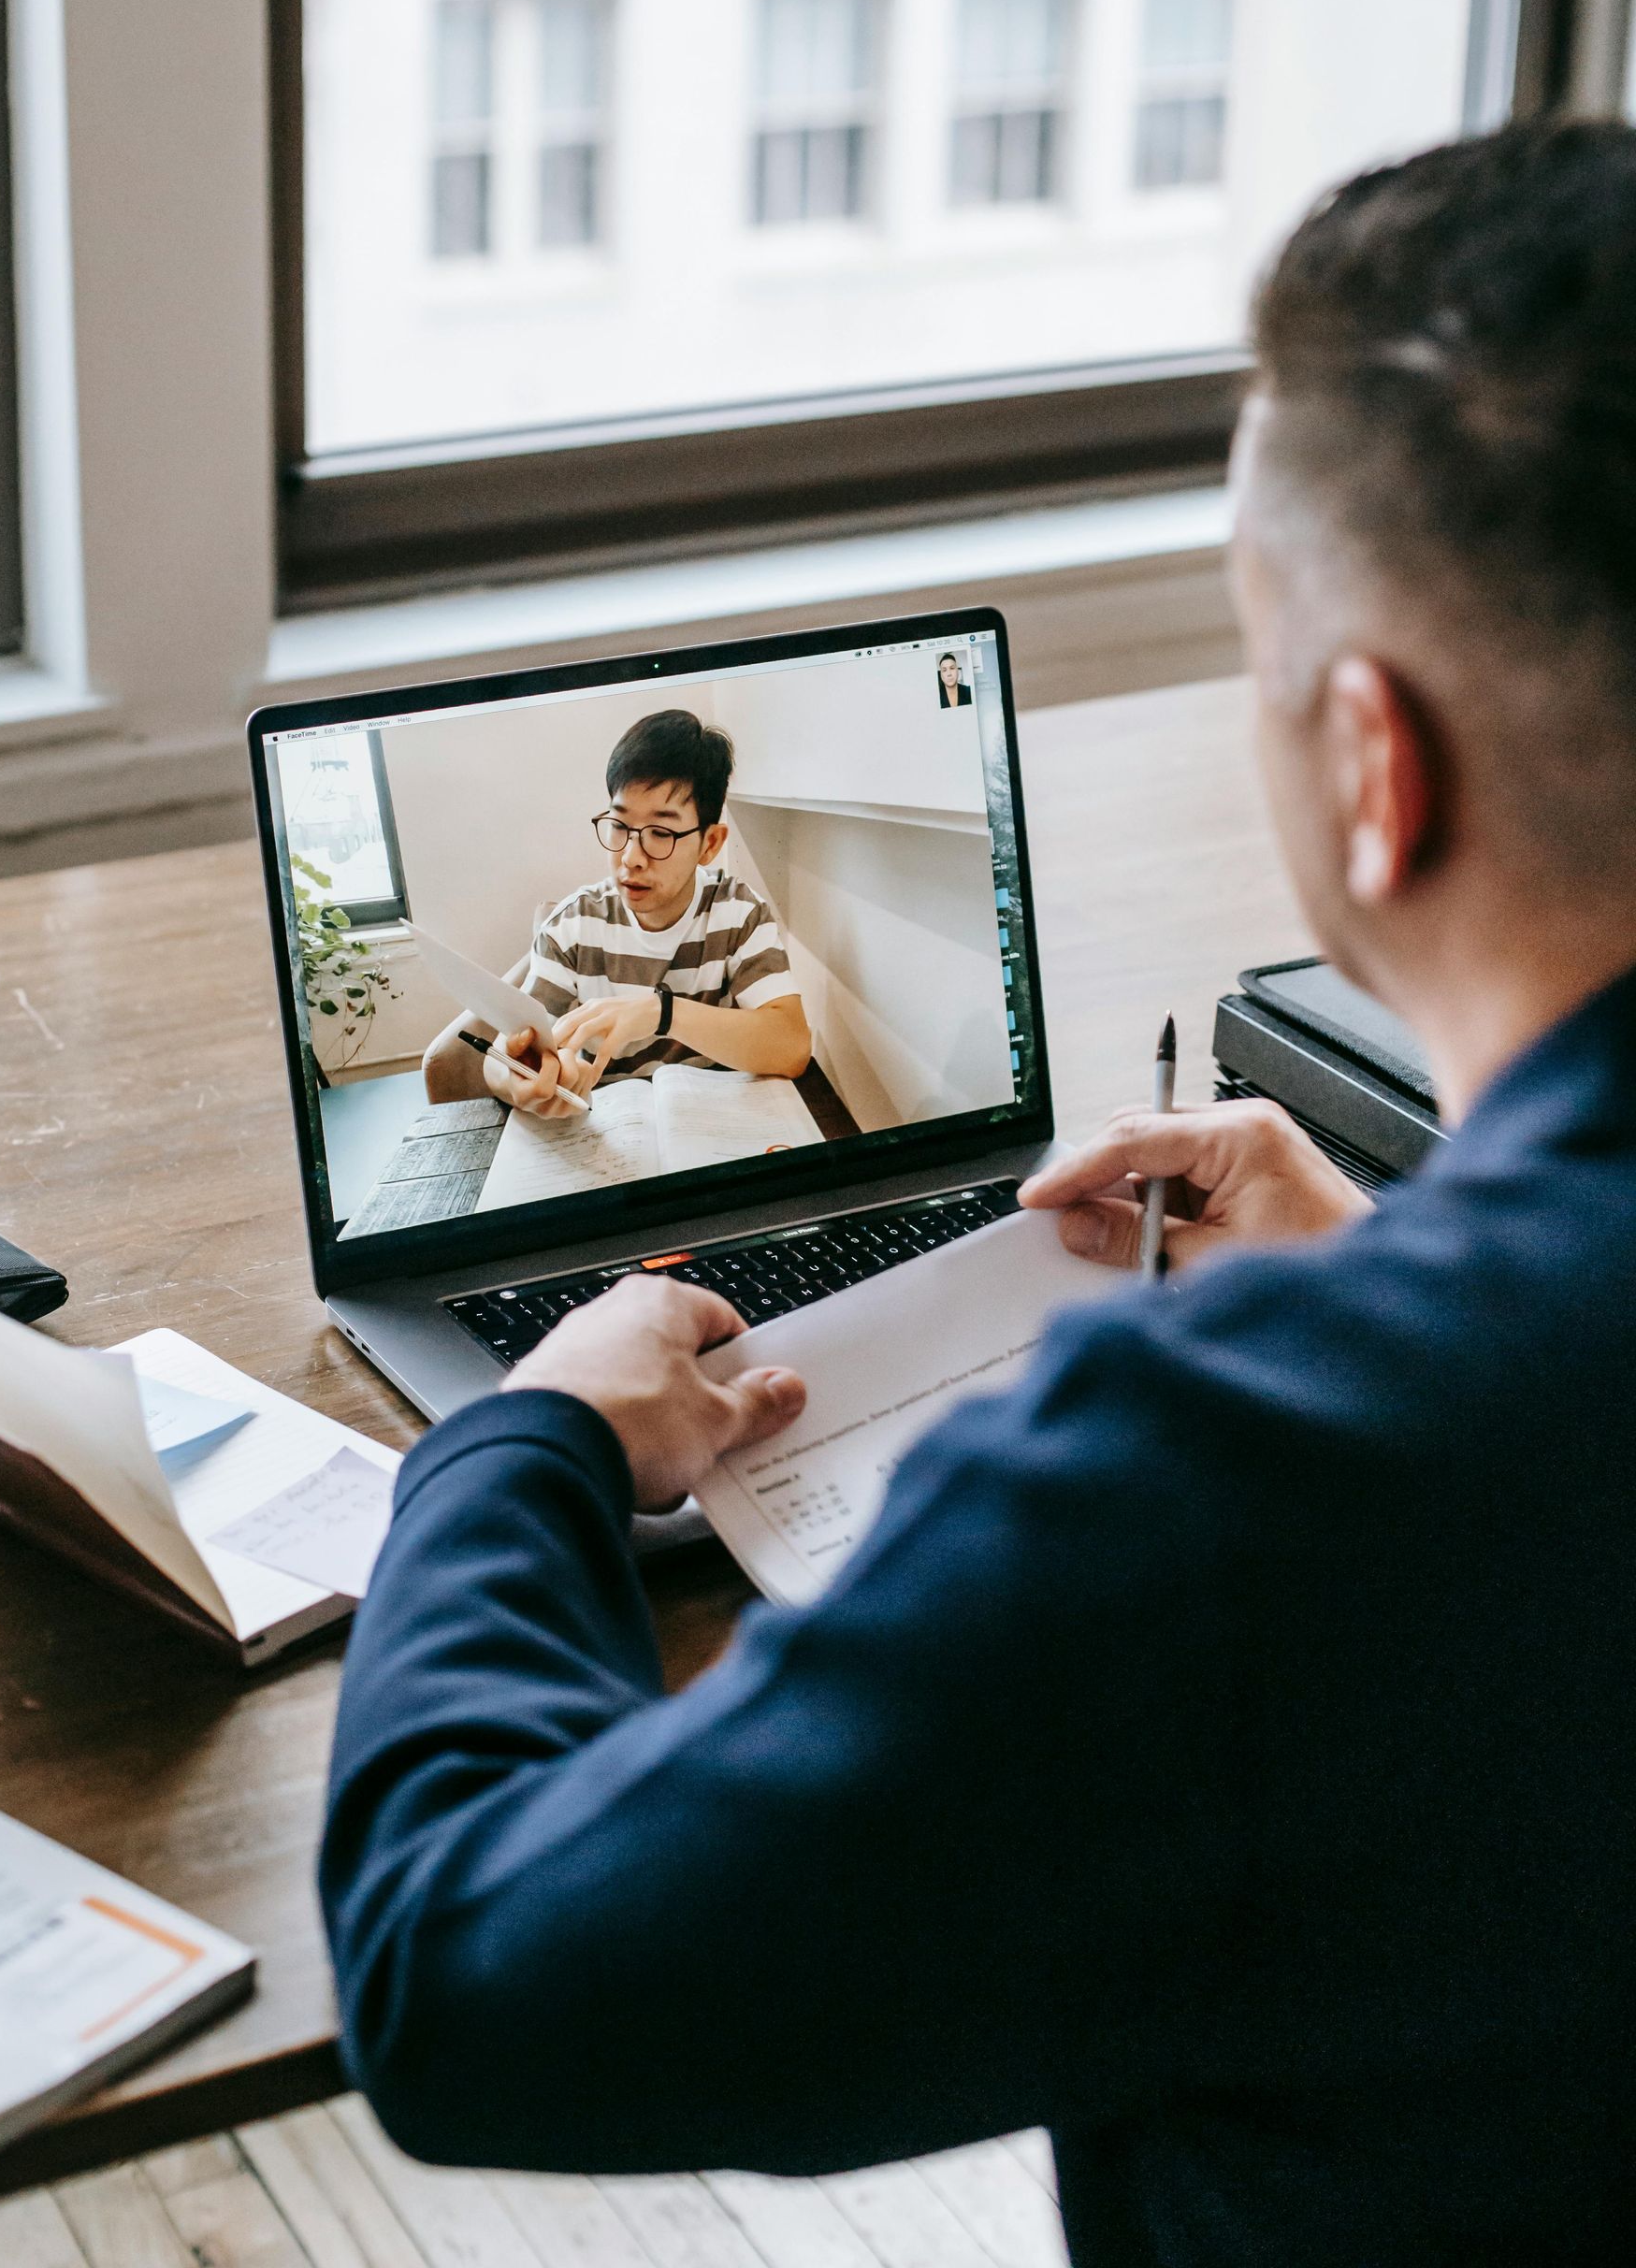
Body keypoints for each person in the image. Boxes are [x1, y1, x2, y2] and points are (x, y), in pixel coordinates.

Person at [324, 121, 1636, 2267]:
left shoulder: (1226, 1481)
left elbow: (465, 1974)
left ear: (1371, 767)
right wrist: (1418, 1266)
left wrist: (519, 1442)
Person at [422, 707, 812, 1118]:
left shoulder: (738, 913)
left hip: (715, 1130)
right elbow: (508, 1050)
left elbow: (791, 1046)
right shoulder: (574, 926)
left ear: (710, 843)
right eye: (619, 826)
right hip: (604, 1132)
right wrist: (521, 1081)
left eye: (661, 833)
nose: (631, 858)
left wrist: (662, 1014)